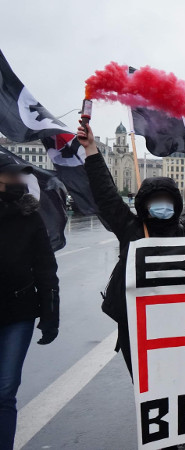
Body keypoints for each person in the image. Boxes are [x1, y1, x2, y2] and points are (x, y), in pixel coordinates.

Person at [77, 122, 185, 376]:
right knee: (144, 379)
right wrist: (91, 149)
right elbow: (106, 195)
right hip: (135, 322)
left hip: (177, 321)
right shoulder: (131, 229)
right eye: (156, 200)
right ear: (145, 204)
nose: (162, 205)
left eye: (166, 200)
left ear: (176, 204)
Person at [0, 154, 60, 450]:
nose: (16, 180)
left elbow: (46, 268)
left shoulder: (29, 216)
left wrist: (50, 314)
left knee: (5, 390)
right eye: (10, 175)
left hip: (18, 313)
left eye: (18, 176)